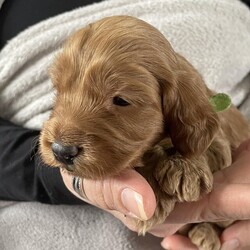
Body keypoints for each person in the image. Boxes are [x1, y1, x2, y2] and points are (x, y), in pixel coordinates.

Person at [0, 0, 250, 250]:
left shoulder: (189, 104)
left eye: (120, 100)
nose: (64, 140)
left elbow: (207, 139)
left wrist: (187, 158)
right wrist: (54, 179)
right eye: (60, 89)